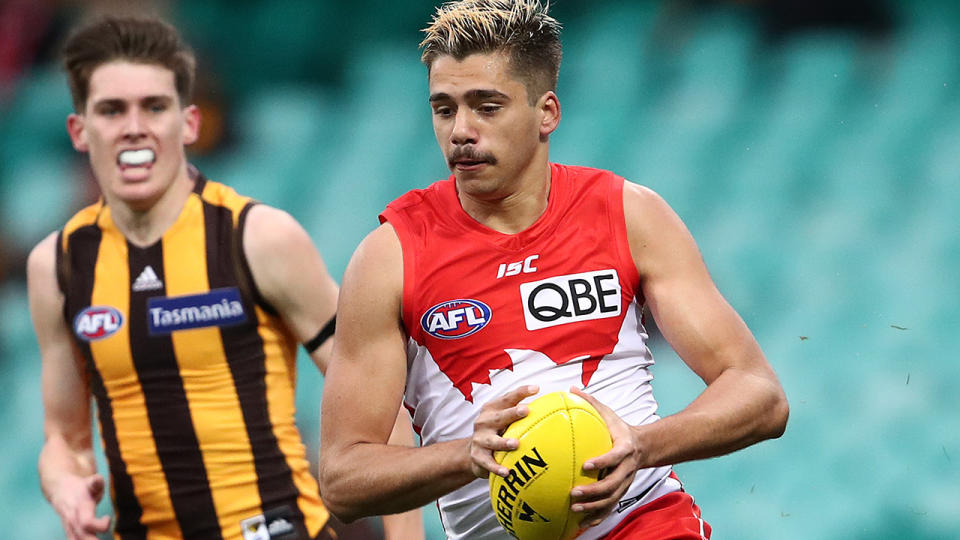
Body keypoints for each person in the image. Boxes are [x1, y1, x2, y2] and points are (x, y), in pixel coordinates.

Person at [318, 1, 789, 539]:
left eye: (487, 107)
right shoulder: (390, 257)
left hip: (643, 521)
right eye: (444, 109)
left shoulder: (628, 214)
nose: (461, 131)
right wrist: (465, 456)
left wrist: (640, 444)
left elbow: (759, 395)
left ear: (547, 113)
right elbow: (342, 479)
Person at [26, 15, 422, 540]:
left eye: (154, 106)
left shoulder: (259, 239)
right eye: (111, 110)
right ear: (80, 130)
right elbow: (63, 438)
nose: (134, 126)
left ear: (189, 123)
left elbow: (381, 411)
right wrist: (66, 484)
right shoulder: (56, 267)